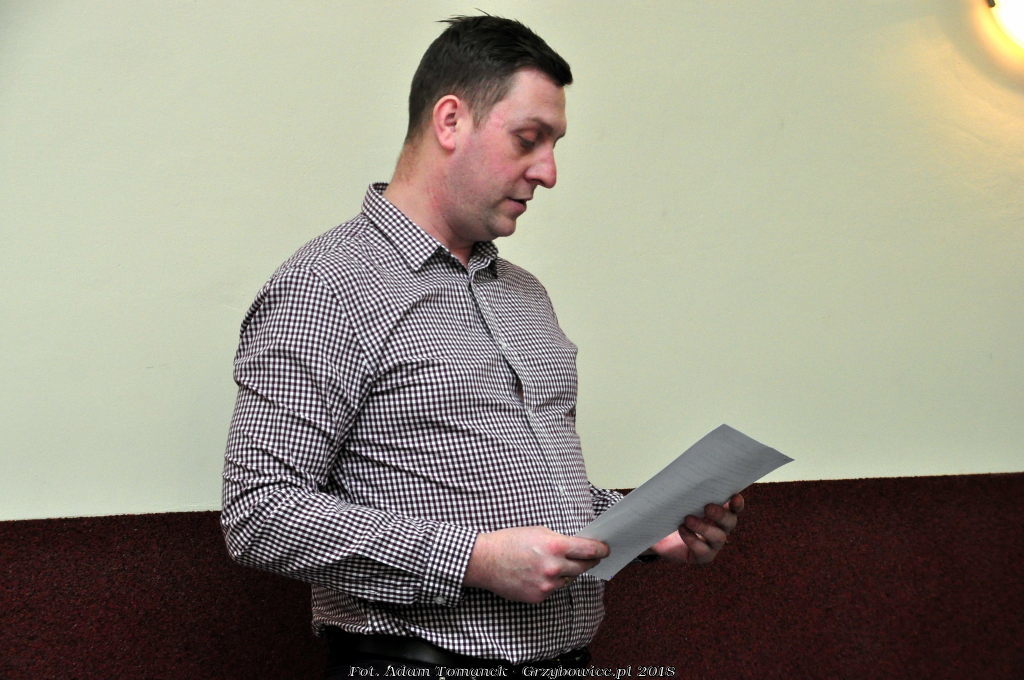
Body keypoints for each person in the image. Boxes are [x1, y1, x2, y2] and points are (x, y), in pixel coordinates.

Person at [221, 14, 743, 677]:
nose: (548, 172)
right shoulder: (326, 287)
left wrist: (647, 528)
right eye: (528, 139)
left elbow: (529, 491)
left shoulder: (525, 294)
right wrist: (473, 561)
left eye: (554, 144)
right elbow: (260, 512)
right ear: (450, 122)